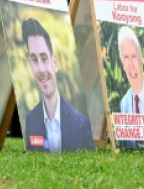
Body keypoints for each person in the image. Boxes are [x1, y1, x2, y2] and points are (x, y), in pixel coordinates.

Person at [22, 17, 93, 153]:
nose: (41, 70)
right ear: (30, 64)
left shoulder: (81, 123)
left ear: (55, 63)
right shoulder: (30, 120)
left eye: (44, 58)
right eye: (34, 60)